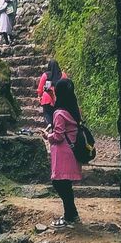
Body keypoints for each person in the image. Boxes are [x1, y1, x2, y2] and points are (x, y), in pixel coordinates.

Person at [46, 77, 83, 226]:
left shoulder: (59, 113)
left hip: (63, 153)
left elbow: (59, 136)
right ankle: (71, 215)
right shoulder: (74, 108)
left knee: (59, 183)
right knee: (65, 184)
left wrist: (48, 136)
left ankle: (70, 215)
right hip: (72, 151)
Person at [37, 58, 63, 127]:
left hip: (47, 98)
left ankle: (49, 124)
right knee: (58, 113)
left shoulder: (45, 75)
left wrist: (40, 96)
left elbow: (40, 88)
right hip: (59, 98)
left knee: (47, 112)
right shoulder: (62, 75)